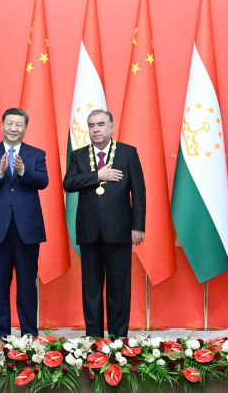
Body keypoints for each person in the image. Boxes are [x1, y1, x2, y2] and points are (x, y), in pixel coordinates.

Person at [62, 109, 144, 338]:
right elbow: (68, 183)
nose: (95, 130)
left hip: (119, 230)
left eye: (100, 125)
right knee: (91, 289)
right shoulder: (78, 155)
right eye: (91, 126)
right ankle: (94, 339)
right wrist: (98, 176)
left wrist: (138, 226)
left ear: (111, 127)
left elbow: (139, 191)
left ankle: (118, 339)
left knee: (119, 288)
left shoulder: (127, 153)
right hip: (89, 232)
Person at [0, 108, 48, 340]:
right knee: (0, 285)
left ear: (25, 128)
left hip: (27, 228)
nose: (13, 128)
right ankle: (1, 337)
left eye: (18, 124)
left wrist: (24, 171)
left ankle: (29, 336)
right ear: (2, 125)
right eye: (10, 124)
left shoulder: (36, 154)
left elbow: (43, 181)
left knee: (27, 284)